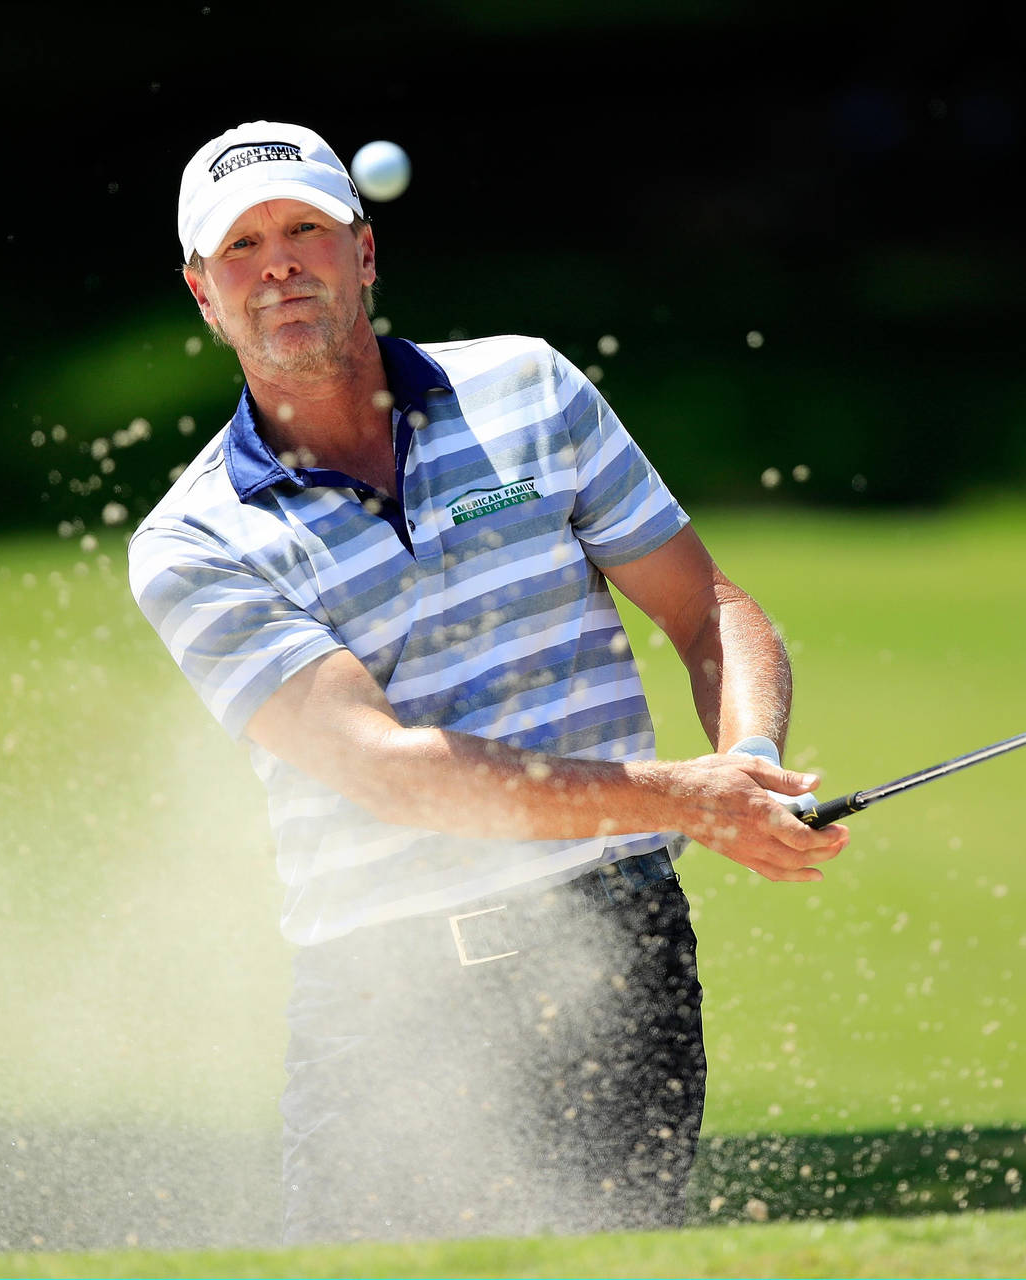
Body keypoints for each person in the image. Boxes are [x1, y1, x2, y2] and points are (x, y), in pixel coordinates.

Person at [127, 120, 848, 1243]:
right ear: (202, 294)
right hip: (383, 991)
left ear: (363, 253)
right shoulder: (191, 542)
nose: (278, 264)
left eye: (307, 230)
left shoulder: (529, 388)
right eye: (242, 247)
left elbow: (708, 609)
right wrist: (686, 797)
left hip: (618, 947)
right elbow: (394, 773)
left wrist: (749, 763)